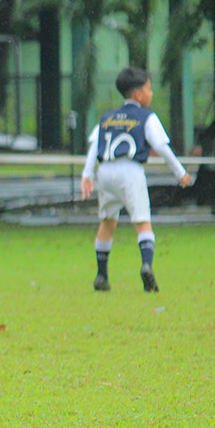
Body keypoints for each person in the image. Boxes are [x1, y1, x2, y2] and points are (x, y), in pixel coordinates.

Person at [80, 67, 192, 292]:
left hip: (105, 171)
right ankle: (146, 265)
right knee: (142, 222)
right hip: (130, 170)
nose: (151, 93)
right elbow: (161, 147)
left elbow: (95, 146)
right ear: (139, 94)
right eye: (149, 89)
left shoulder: (107, 117)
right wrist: (180, 172)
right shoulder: (146, 116)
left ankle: (102, 275)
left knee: (107, 222)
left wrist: (87, 174)